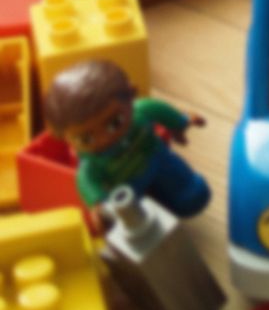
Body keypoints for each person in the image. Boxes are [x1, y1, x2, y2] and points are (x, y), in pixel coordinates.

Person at [45, 60, 211, 221]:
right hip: (125, 186)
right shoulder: (92, 162)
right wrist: (98, 205)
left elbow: (161, 111)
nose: (105, 139)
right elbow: (87, 181)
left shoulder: (140, 112)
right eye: (86, 138)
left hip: (156, 157)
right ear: (61, 136)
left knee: (189, 193)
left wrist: (181, 123)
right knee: (131, 218)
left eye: (114, 123)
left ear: (131, 95)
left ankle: (184, 193)